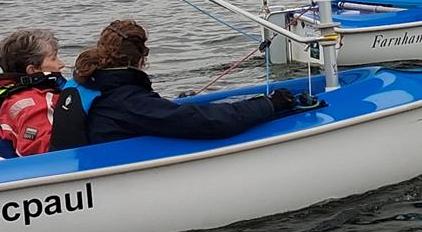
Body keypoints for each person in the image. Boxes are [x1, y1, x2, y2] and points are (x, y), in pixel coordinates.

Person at [50, 20, 296, 150]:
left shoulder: (82, 83)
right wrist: (269, 103)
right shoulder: (128, 102)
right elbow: (212, 123)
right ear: (141, 59)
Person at [0, 28, 66, 158]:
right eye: (54, 58)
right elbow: (40, 152)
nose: (61, 64)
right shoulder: (34, 103)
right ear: (32, 70)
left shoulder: (7, 96)